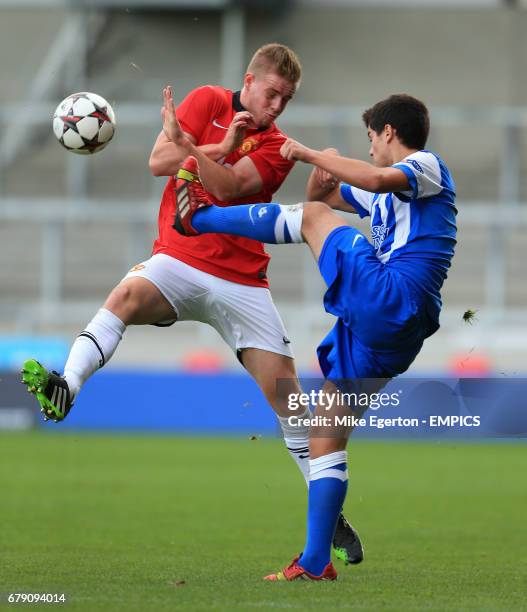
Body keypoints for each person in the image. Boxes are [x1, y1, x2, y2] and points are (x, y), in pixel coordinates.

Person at [21, 43, 363, 565]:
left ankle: (327, 513)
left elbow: (227, 190)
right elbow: (160, 160)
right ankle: (66, 385)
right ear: (248, 81)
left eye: (287, 99)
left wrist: (209, 148)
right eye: (271, 93)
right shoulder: (206, 101)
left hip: (242, 281)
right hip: (179, 259)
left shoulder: (275, 147)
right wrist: (216, 141)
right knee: (127, 295)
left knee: (291, 402)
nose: (276, 108)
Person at [168, 93, 457, 581]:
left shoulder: (427, 167)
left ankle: (197, 218)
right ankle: (316, 561)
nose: (369, 150)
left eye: (371, 139)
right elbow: (324, 198)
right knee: (324, 434)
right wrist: (321, 178)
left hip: (393, 296)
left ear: (389, 133)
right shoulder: (388, 198)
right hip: (392, 329)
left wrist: (311, 154)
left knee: (312, 221)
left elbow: (366, 181)